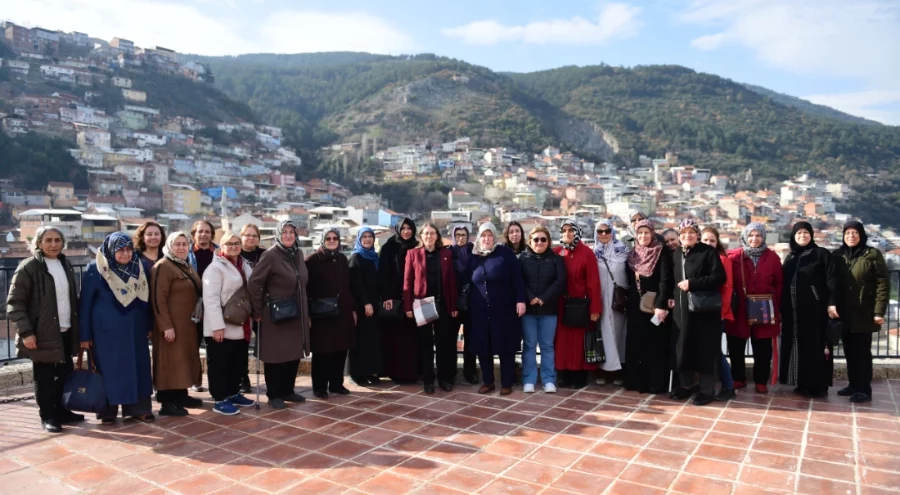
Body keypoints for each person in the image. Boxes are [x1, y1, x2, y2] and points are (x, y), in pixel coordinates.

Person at [7, 227, 83, 433]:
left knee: (65, 374)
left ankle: (62, 411)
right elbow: (15, 303)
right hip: (41, 334)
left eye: (57, 240)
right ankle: (48, 416)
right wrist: (26, 333)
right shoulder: (28, 267)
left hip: (66, 329)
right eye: (48, 240)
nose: (53, 244)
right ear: (39, 243)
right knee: (44, 377)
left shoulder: (65, 264)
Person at [79, 232, 154, 424]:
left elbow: (147, 301)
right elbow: (85, 304)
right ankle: (107, 411)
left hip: (135, 330)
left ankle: (139, 409)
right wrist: (85, 336)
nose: (126, 254)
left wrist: (149, 326)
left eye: (129, 249)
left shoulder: (139, 266)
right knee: (108, 370)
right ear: (111, 250)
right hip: (105, 334)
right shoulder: (96, 269)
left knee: (138, 368)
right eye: (120, 250)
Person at [248, 220, 311, 409]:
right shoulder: (270, 255)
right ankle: (274, 394)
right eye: (284, 232)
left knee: (293, 353)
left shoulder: (298, 254)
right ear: (278, 234)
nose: (288, 235)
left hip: (296, 314)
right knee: (275, 355)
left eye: (292, 232)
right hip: (275, 315)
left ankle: (287, 390)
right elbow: (254, 283)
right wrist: (258, 310)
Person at [781, 222, 841, 398]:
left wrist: (832, 303)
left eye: (806, 232)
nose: (803, 236)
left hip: (816, 311)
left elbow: (832, 279)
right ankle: (803, 383)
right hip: (794, 313)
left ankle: (819, 385)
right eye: (799, 233)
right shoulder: (791, 258)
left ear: (811, 235)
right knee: (800, 346)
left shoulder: (821, 254)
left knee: (817, 346)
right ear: (794, 237)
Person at [671, 219, 726, 406]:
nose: (687, 236)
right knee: (683, 347)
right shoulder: (677, 253)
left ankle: (706, 391)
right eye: (683, 233)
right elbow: (673, 280)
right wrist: (670, 298)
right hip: (682, 310)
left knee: (704, 350)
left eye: (691, 232)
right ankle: (686, 386)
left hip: (704, 311)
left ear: (697, 235)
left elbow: (719, 277)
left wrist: (692, 283)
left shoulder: (708, 252)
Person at [202, 231, 257, 415]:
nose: (233, 246)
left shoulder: (243, 264)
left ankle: (233, 393)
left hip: (240, 324)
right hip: (222, 326)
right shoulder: (215, 268)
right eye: (229, 243)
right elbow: (210, 299)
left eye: (236, 243)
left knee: (236, 363)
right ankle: (220, 399)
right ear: (222, 246)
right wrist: (217, 326)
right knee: (220, 365)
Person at [833, 220, 888, 404]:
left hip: (865, 311)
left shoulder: (872, 254)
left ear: (861, 235)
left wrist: (879, 312)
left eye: (855, 233)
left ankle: (864, 389)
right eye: (847, 233)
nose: (851, 236)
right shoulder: (838, 255)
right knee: (849, 350)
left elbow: (882, 284)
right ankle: (853, 384)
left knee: (862, 352)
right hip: (844, 312)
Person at [468, 223, 526, 395]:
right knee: (483, 346)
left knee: (505, 346)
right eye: (483, 236)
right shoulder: (474, 256)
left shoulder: (505, 254)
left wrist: (520, 300)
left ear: (495, 237)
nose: (487, 239)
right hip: (480, 310)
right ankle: (488, 381)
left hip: (504, 309)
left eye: (490, 235)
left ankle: (507, 382)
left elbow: (517, 279)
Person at [726, 223, 783, 394]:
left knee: (763, 347)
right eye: (751, 235)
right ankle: (738, 378)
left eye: (758, 235)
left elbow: (779, 284)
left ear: (763, 237)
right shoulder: (734, 257)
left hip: (764, 307)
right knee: (736, 345)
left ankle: (760, 381)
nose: (754, 239)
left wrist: (775, 305)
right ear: (744, 237)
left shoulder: (772, 257)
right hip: (740, 308)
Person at [150, 232, 203, 416]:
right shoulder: (163, 266)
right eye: (177, 244)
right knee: (169, 362)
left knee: (182, 361)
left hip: (186, 326)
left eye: (184, 244)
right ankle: (167, 402)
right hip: (171, 326)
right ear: (169, 246)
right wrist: (166, 326)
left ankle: (181, 395)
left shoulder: (185, 265)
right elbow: (158, 299)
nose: (181, 247)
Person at [404, 223, 458, 394]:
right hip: (424, 303)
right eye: (426, 233)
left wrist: (453, 305)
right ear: (421, 236)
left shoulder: (446, 254)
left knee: (444, 344)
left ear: (437, 236)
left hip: (442, 303)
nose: (429, 236)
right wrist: (408, 306)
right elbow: (407, 282)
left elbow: (451, 281)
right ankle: (428, 380)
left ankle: (444, 379)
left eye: (432, 233)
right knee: (426, 344)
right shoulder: (413, 254)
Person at [306, 228, 356, 399]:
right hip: (321, 313)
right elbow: (306, 289)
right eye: (328, 238)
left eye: (335, 238)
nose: (332, 240)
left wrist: (352, 309)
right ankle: (319, 387)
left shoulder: (342, 259)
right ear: (323, 240)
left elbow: (348, 286)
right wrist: (308, 314)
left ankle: (336, 384)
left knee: (341, 349)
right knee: (322, 351)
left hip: (342, 311)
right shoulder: (312, 260)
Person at [624, 220, 673, 394]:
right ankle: (636, 381)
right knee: (637, 343)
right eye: (640, 233)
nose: (643, 236)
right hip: (635, 305)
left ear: (652, 233)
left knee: (655, 344)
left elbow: (665, 280)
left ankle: (655, 383)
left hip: (654, 305)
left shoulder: (661, 251)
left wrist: (661, 305)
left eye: (646, 232)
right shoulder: (633, 254)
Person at [553, 220, 602, 389]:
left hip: (581, 306)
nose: (567, 233)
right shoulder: (557, 252)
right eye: (564, 230)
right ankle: (564, 375)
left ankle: (579, 377)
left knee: (579, 343)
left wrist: (595, 309)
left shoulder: (587, 253)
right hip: (561, 305)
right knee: (562, 342)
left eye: (570, 230)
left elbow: (593, 283)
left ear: (577, 232)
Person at [518, 226, 566, 393]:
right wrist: (530, 297)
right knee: (529, 345)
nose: (539, 242)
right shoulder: (522, 259)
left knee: (547, 346)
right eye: (536, 239)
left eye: (543, 239)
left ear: (548, 241)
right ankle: (529, 379)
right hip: (529, 311)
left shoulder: (556, 259)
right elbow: (519, 281)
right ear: (530, 241)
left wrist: (544, 298)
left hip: (549, 309)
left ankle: (548, 379)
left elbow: (560, 282)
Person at [378, 218, 420, 384]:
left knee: (412, 338)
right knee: (395, 338)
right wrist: (387, 296)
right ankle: (395, 373)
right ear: (398, 229)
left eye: (409, 228)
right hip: (394, 300)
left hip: (414, 299)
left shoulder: (417, 246)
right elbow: (383, 274)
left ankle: (413, 372)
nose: (406, 231)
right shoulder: (389, 247)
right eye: (403, 228)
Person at [700, 227, 736, 401]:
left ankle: (729, 386)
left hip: (716, 312)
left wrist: (722, 312)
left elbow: (727, 288)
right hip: (701, 310)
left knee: (715, 351)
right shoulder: (699, 257)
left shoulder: (722, 259)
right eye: (705, 240)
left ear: (717, 242)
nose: (708, 243)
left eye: (712, 240)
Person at [593, 219, 629, 385]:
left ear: (612, 232)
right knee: (603, 334)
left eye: (607, 231)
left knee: (620, 334)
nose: (604, 234)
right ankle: (603, 370)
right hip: (600, 301)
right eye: (600, 231)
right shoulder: (593, 253)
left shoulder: (624, 251)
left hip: (619, 301)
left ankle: (619, 371)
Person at [348, 226, 382, 387]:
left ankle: (368, 371)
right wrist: (365, 303)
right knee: (359, 341)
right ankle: (356, 374)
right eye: (364, 237)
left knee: (370, 340)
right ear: (359, 239)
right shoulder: (356, 257)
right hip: (361, 306)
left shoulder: (373, 257)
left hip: (373, 305)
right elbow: (356, 284)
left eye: (370, 236)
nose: (367, 239)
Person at [187, 220, 216, 393]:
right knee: (193, 345)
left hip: (214, 305)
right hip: (193, 305)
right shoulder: (186, 253)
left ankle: (216, 383)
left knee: (215, 347)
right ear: (194, 234)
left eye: (207, 231)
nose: (204, 234)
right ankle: (195, 380)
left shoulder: (219, 252)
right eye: (200, 231)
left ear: (212, 234)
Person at [238, 223, 265, 393]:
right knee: (242, 343)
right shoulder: (236, 253)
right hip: (241, 305)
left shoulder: (264, 254)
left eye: (254, 235)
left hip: (261, 305)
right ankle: (243, 377)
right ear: (241, 236)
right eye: (247, 235)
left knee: (263, 341)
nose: (251, 238)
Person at [450, 225, 477, 384]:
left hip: (470, 302)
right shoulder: (448, 253)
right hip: (453, 302)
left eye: (464, 235)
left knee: (470, 339)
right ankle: (451, 372)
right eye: (458, 235)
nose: (461, 238)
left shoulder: (474, 252)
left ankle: (470, 372)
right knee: (450, 340)